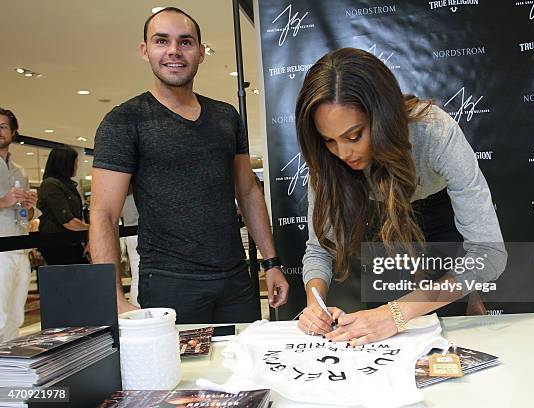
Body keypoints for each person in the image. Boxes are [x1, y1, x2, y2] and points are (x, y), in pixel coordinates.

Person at [295, 48, 507, 345]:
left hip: (440, 222)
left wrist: (395, 313)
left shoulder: (434, 131)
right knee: (383, 342)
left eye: (354, 136)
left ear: (383, 117)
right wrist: (314, 302)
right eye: (330, 140)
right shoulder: (328, 163)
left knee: (445, 339)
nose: (343, 153)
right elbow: (319, 249)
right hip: (379, 232)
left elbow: (489, 255)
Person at [90, 7, 289, 323]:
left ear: (201, 51)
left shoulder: (226, 117)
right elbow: (104, 214)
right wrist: (113, 298)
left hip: (236, 278)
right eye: (161, 41)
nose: (173, 51)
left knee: (243, 367)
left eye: (185, 42)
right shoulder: (124, 121)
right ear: (145, 51)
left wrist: (271, 262)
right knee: (180, 373)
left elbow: (248, 191)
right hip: (170, 282)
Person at [0, 108, 37, 342]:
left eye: (3, 126)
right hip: (1, 250)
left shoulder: (20, 170)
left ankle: (9, 370)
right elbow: (7, 203)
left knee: (15, 317)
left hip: (19, 247)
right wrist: (4, 201)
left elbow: (26, 213)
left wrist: (30, 206)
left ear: (13, 132)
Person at [37, 146, 89, 265]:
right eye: (74, 163)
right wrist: (92, 228)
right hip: (58, 245)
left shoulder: (68, 186)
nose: (76, 166)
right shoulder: (51, 185)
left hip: (71, 243)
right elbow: (67, 220)